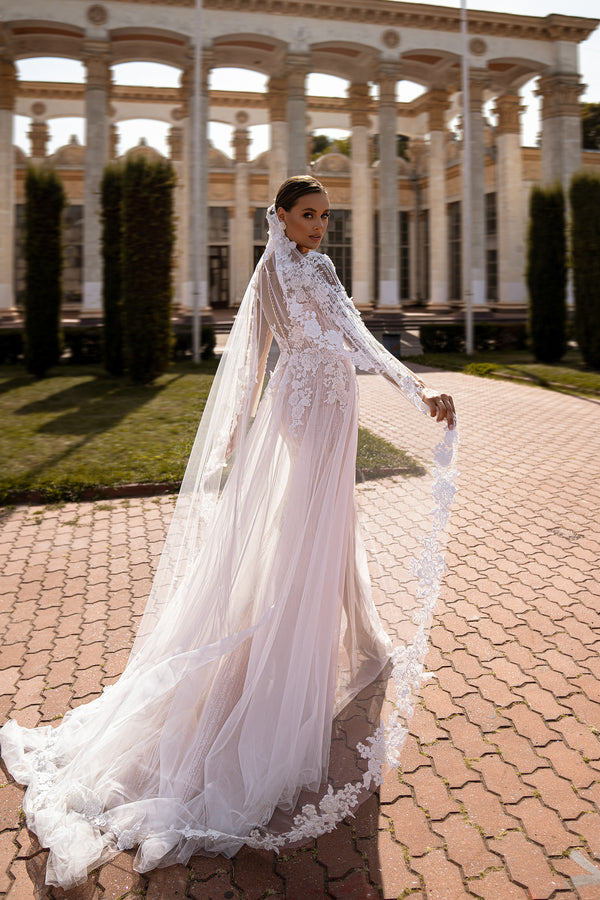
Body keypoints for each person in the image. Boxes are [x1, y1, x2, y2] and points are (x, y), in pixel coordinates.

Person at [0, 175, 458, 889]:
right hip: (311, 408)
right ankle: (287, 656)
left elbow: (331, 338)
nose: (320, 227)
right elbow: (283, 347)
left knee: (331, 527)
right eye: (309, 216)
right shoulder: (283, 270)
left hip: (325, 405)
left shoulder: (307, 266)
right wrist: (249, 422)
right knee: (307, 536)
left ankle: (358, 635)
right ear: (280, 216)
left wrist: (404, 388)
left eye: (324, 217)